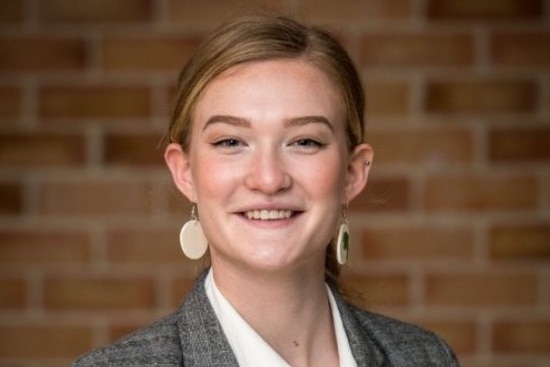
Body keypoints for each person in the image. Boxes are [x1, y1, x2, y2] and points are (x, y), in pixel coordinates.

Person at [71, 13, 459, 367]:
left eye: (304, 141)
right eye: (231, 143)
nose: (269, 179)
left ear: (352, 174)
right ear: (186, 172)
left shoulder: (427, 358)